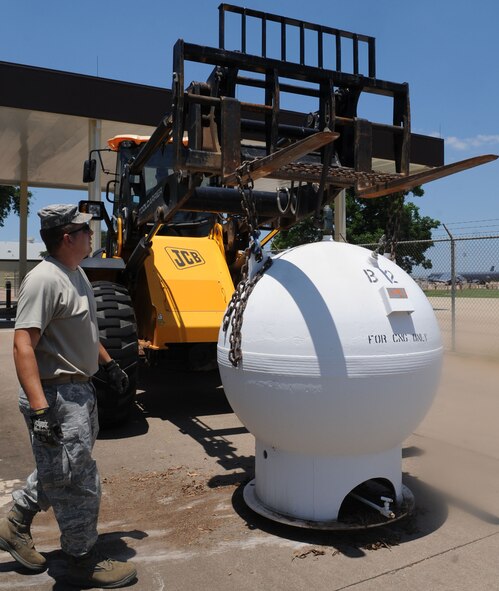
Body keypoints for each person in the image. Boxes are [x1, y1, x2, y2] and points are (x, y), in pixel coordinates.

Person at [0, 204, 137, 588]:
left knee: (60, 469)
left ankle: (14, 525)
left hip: (79, 392)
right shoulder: (44, 280)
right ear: (67, 238)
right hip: (56, 396)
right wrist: (41, 410)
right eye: (84, 230)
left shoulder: (75, 274)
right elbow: (23, 346)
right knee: (77, 479)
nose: (91, 235)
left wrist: (109, 365)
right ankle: (81, 559)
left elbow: (86, 331)